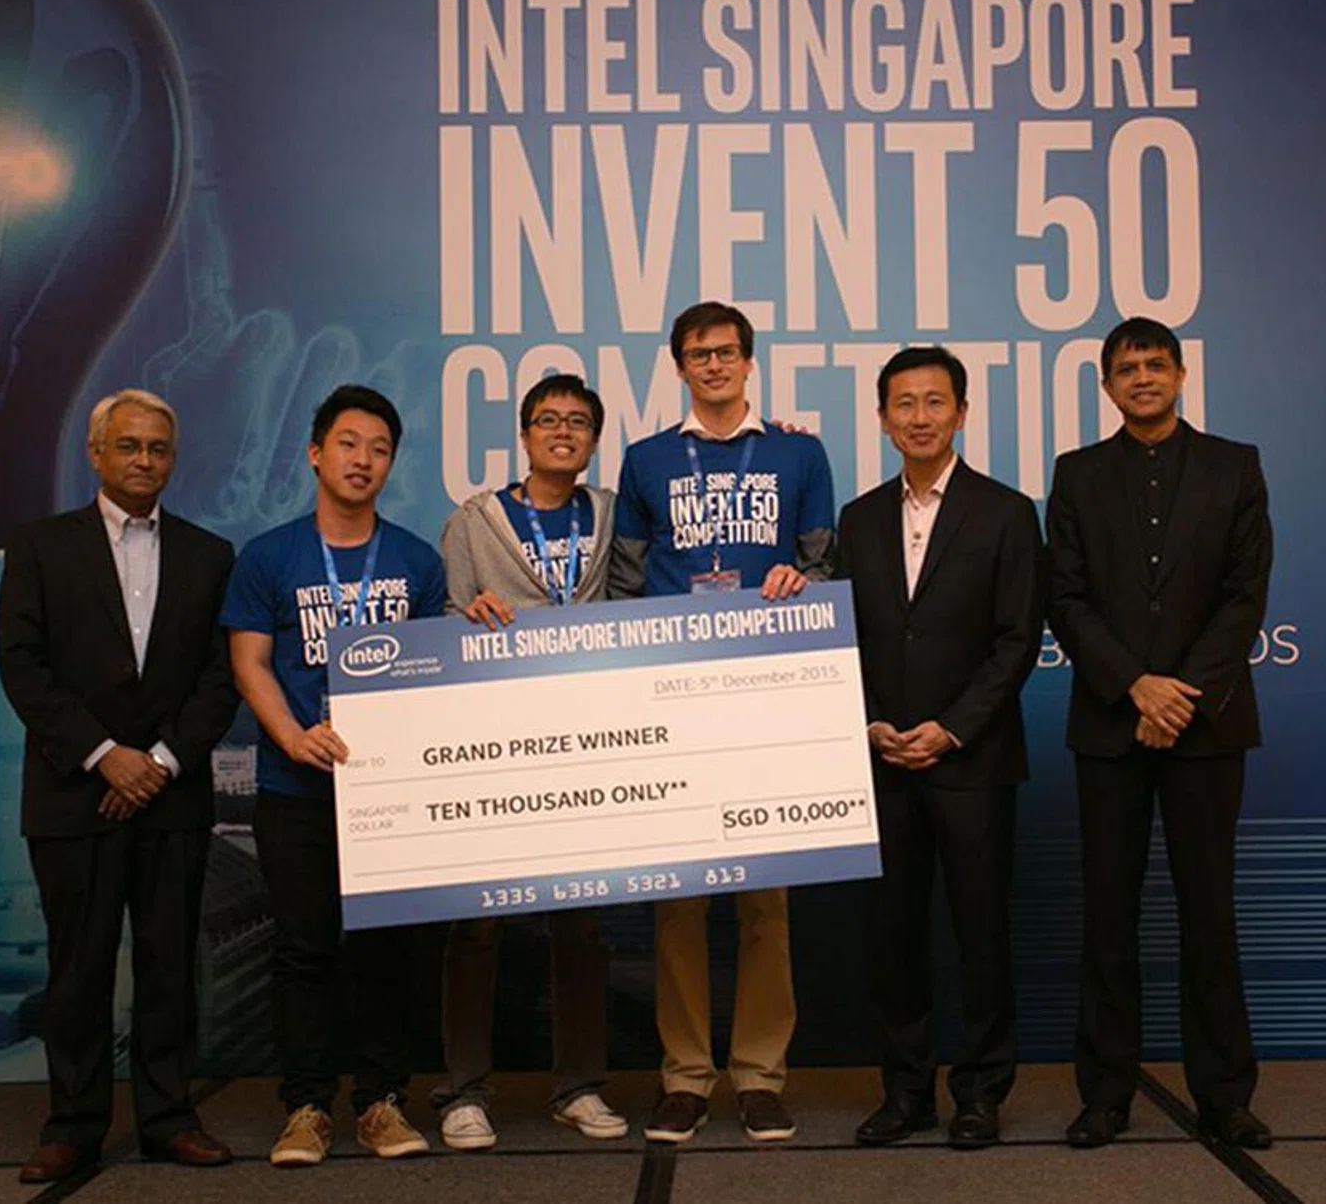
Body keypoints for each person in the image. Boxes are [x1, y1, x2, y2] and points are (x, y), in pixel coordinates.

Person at [0, 389, 240, 1182]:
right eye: (128, 446)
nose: (144, 460)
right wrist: (105, 754)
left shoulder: (210, 555)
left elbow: (218, 679)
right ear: (95, 454)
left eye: (158, 448)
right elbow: (22, 668)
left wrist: (159, 762)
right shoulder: (39, 547)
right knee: (79, 970)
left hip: (171, 793)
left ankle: (170, 1118)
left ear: (174, 457)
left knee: (171, 966)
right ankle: (73, 1124)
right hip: (75, 795)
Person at [1045, 316, 1275, 1151]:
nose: (1141, 377)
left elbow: (1246, 594)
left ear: (1180, 375)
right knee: (1109, 917)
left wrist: (1180, 693)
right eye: (1125, 368)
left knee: (1208, 914)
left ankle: (1225, 1097)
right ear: (1106, 387)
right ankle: (1105, 1096)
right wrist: (1132, 685)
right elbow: (1064, 598)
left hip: (1207, 726)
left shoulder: (1235, 467)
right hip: (1110, 725)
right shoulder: (1075, 476)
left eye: (1155, 363)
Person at [613, 301, 836, 1143]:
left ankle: (759, 1075)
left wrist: (798, 582)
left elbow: (822, 563)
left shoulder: (797, 451)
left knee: (764, 898)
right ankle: (684, 1076)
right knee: (677, 902)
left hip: (766, 694)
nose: (714, 365)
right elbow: (626, 587)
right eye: (698, 354)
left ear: (749, 362)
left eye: (727, 352)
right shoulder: (645, 461)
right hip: (672, 696)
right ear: (679, 366)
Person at [222, 385, 447, 1167]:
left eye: (379, 448)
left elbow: (434, 671)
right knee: (304, 950)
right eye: (348, 443)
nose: (363, 460)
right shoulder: (269, 556)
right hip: (296, 793)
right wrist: (291, 736)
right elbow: (248, 662)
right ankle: (308, 1107)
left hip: (387, 795)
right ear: (316, 453)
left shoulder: (417, 559)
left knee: (386, 952)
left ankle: (383, 1103)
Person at [835, 347, 1044, 1150]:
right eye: (903, 404)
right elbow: (844, 639)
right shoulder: (857, 520)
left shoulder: (1006, 511)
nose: (919, 417)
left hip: (974, 762)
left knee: (981, 934)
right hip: (882, 759)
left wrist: (953, 727)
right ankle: (906, 1091)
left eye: (934, 402)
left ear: (961, 413)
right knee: (892, 939)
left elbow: (1018, 637)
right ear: (883, 419)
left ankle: (981, 1092)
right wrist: (875, 721)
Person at [430, 374, 631, 1149]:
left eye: (579, 422)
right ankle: (463, 1092)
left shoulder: (611, 514)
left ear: (592, 439)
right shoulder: (473, 523)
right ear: (524, 435)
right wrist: (469, 617)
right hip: (497, 748)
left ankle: (577, 1087)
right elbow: (446, 624)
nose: (563, 432)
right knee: (477, 926)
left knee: (581, 925)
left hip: (586, 748)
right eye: (548, 420)